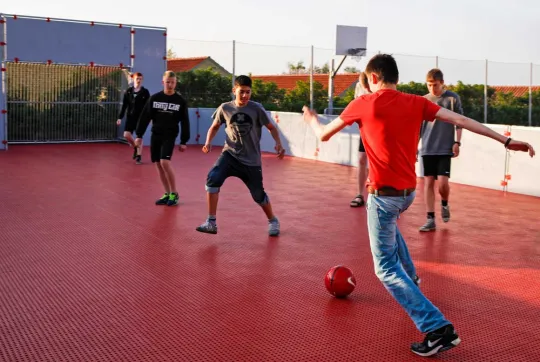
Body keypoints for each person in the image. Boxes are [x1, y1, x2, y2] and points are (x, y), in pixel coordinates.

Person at [302, 54, 535, 357]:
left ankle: (436, 328)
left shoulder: (363, 103)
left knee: (384, 269)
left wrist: (309, 119)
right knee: (390, 234)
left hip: (383, 196)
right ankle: (411, 279)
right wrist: (505, 142)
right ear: (395, 77)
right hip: (407, 193)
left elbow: (322, 134)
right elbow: (461, 120)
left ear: (373, 78)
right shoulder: (416, 102)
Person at [196, 75, 285, 236]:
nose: (245, 96)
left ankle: (273, 220)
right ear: (234, 90)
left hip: (251, 160)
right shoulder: (225, 108)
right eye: (241, 92)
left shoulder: (256, 108)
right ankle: (211, 222)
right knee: (213, 178)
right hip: (230, 154)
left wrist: (278, 142)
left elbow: (271, 127)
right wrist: (208, 142)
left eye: (248, 92)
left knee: (258, 195)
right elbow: (215, 126)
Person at [134, 71, 190, 206]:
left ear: (176, 83)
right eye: (167, 82)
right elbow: (145, 117)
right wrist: (139, 135)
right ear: (163, 82)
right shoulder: (154, 98)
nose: (170, 85)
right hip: (156, 134)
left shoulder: (180, 101)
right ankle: (167, 193)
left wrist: (183, 141)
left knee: (165, 162)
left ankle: (174, 193)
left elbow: (185, 121)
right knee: (158, 164)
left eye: (173, 82)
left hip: (170, 135)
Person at [418, 68, 463, 232]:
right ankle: (430, 218)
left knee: (442, 184)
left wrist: (457, 142)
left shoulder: (452, 98)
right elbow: (418, 126)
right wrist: (414, 147)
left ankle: (444, 203)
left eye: (435, 85)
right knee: (428, 182)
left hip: (445, 147)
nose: (432, 89)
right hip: (427, 148)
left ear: (442, 83)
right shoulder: (423, 100)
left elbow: (460, 121)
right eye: (429, 85)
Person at [117, 72, 150, 164]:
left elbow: (148, 106)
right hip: (130, 117)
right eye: (137, 79)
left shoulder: (145, 92)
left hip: (141, 118)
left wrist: (150, 117)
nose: (139, 80)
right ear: (133, 79)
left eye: (140, 79)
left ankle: (139, 156)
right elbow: (124, 106)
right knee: (126, 135)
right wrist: (120, 117)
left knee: (139, 137)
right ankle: (135, 147)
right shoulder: (128, 92)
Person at [350, 72, 371, 208]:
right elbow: (356, 105)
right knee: (362, 159)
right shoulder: (359, 87)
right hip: (365, 129)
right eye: (365, 87)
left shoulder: (382, 87)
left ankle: (385, 195)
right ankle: (359, 194)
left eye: (368, 87)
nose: (367, 90)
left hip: (380, 131)